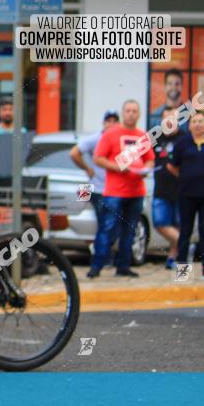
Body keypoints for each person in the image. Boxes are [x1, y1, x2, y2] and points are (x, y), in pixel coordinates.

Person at [90, 100, 155, 279]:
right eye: (128, 111)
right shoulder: (111, 134)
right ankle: (96, 265)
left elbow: (150, 159)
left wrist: (146, 169)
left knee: (130, 230)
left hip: (136, 191)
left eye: (134, 111)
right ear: (123, 113)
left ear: (139, 114)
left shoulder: (142, 136)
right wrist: (117, 167)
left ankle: (123, 265)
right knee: (107, 228)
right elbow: (98, 158)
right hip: (114, 192)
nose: (131, 114)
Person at [168, 111, 204, 279]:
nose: (198, 124)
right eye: (195, 121)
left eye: (201, 121)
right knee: (185, 231)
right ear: (190, 125)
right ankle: (183, 272)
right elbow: (172, 166)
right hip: (187, 195)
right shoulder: (182, 144)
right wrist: (186, 177)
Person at [70, 110, 120, 267]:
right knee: (106, 225)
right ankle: (101, 259)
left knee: (114, 226)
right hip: (99, 189)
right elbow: (74, 153)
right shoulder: (96, 139)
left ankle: (103, 254)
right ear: (103, 123)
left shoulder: (121, 139)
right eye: (108, 121)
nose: (111, 124)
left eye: (114, 121)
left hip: (118, 189)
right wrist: (87, 168)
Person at [151, 107, 184, 269]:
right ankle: (183, 244)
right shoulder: (155, 138)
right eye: (166, 118)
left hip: (182, 190)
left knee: (178, 223)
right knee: (160, 222)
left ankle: (174, 256)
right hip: (160, 189)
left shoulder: (185, 139)